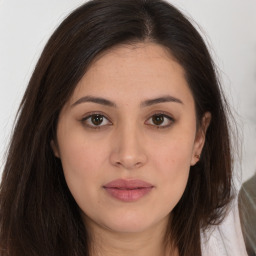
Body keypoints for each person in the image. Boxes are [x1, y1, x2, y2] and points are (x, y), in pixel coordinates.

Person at [0, 0, 247, 255]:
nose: (128, 156)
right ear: (52, 135)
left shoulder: (245, 228)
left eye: (159, 119)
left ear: (199, 137)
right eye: (96, 119)